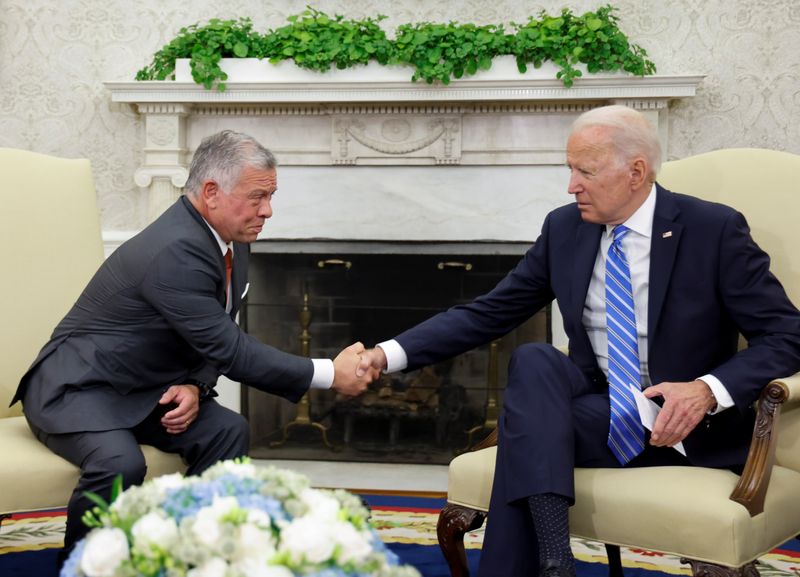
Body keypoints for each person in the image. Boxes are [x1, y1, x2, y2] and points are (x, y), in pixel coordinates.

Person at [355, 105, 800, 577]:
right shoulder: (564, 228)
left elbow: (786, 335)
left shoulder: (713, 230)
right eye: (570, 169)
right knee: (534, 360)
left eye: (584, 171)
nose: (571, 185)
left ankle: (547, 563)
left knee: (525, 437)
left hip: (684, 425)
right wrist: (386, 354)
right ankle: (556, 557)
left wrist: (706, 389)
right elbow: (489, 312)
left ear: (636, 172)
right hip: (601, 412)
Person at [11, 130, 378, 560]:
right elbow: (233, 349)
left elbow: (214, 328)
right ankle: (83, 566)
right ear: (211, 192)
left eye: (271, 196)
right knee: (121, 464)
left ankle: (192, 553)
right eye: (258, 197)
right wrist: (330, 374)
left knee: (227, 430)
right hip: (79, 388)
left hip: (145, 387)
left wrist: (195, 383)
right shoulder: (175, 249)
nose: (269, 211)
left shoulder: (231, 238)